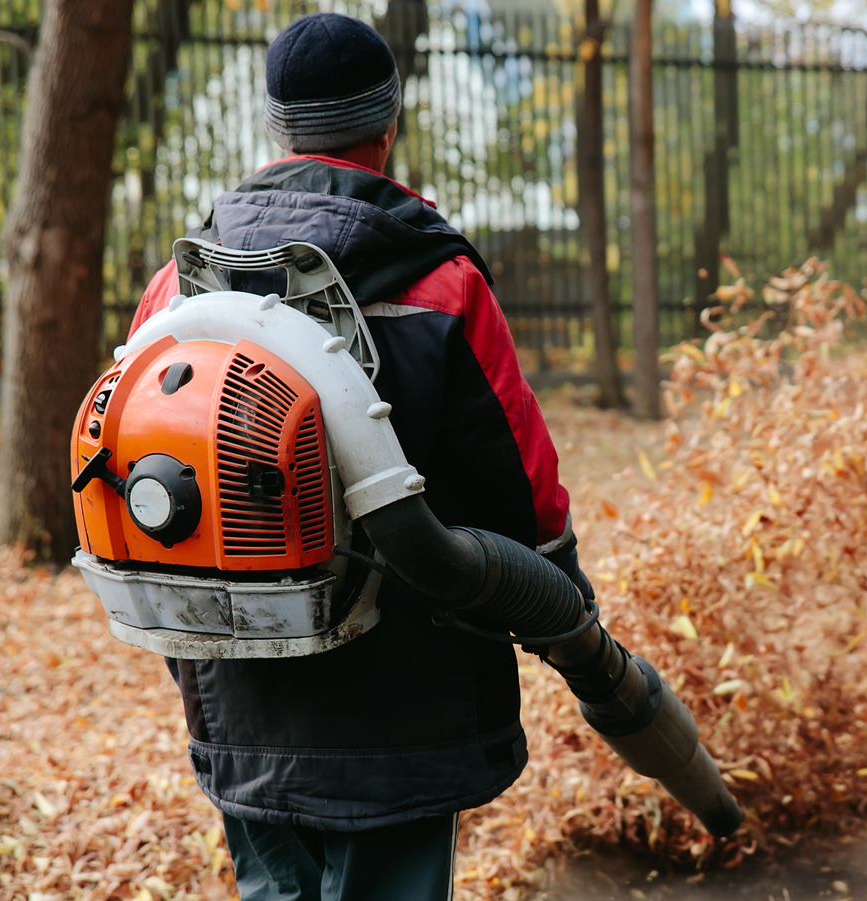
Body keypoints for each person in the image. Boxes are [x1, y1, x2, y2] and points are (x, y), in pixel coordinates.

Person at [126, 13, 590, 900]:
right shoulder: (439, 282)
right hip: (411, 696)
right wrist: (561, 589)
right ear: (388, 124)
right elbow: (524, 490)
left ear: (277, 127)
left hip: (241, 688)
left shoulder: (177, 288)